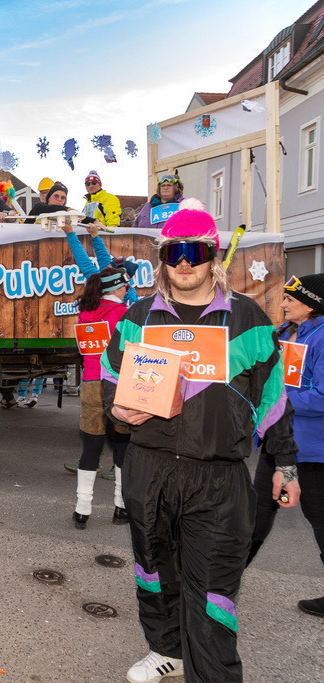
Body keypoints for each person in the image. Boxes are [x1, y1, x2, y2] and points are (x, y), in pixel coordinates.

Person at [101, 198, 299, 682]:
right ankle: (165, 648)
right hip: (149, 468)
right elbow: (110, 373)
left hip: (218, 476)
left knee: (211, 592)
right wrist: (116, 405)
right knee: (154, 571)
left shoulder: (248, 319)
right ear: (162, 260)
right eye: (174, 253)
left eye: (193, 251)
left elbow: (273, 400)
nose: (185, 263)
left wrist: (285, 464)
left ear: (212, 255)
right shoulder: (139, 316)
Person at [247, 272, 324, 618]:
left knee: (319, 519)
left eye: (290, 300)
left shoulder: (322, 338)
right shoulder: (283, 334)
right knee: (256, 514)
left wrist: (279, 402)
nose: (283, 304)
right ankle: (220, 585)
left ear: (311, 305)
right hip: (277, 443)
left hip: (312, 451)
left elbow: (321, 395)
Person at [72, 267, 131, 529]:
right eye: (125, 286)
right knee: (122, 444)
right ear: (117, 288)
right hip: (119, 384)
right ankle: (121, 506)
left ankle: (82, 508)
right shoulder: (124, 314)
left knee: (91, 445)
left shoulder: (85, 315)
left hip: (91, 381)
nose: (127, 290)